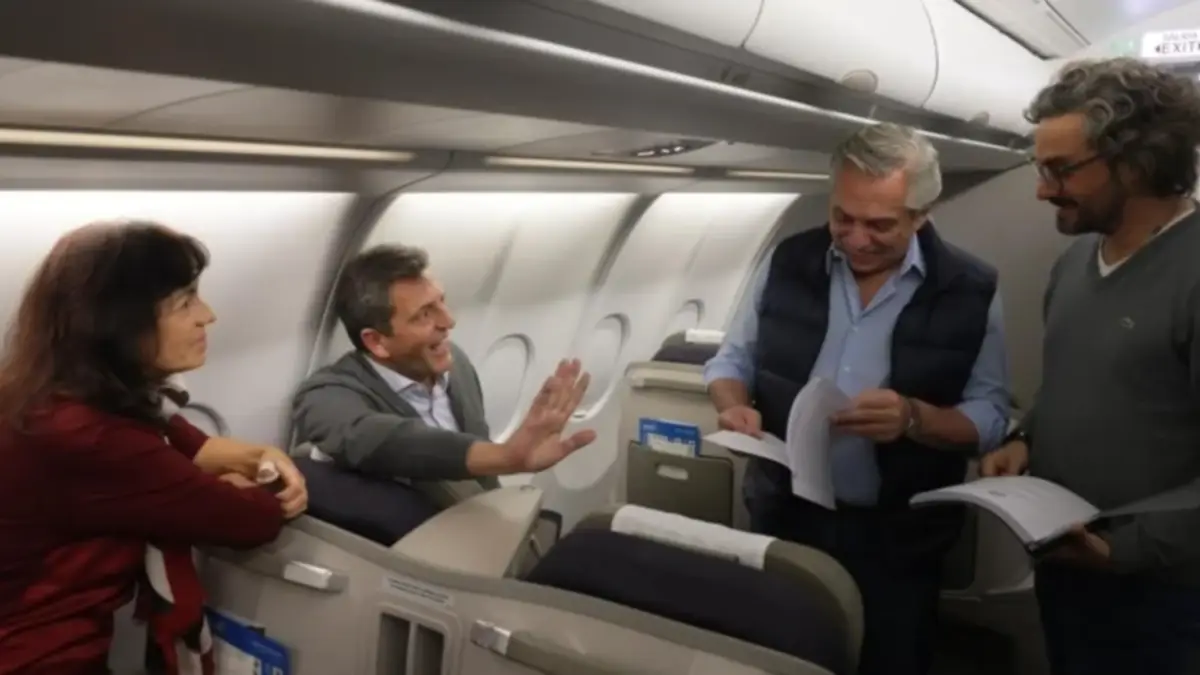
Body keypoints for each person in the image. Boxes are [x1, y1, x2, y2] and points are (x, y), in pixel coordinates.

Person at [704, 122, 1011, 675]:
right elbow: (732, 361)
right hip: (786, 516)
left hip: (899, 537)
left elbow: (989, 416)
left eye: (880, 224)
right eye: (842, 217)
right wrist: (732, 404)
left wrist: (914, 418)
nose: (856, 238)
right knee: (780, 658)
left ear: (921, 215)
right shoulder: (788, 261)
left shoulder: (969, 289)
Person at [0, 220, 308, 675]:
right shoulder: (91, 437)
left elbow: (191, 444)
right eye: (185, 302)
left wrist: (262, 457)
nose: (208, 315)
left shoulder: (45, 394)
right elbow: (249, 518)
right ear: (119, 324)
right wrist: (257, 483)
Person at [983, 57, 1200, 675]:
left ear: (1135, 162)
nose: (1042, 189)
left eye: (1060, 170)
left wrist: (1118, 549)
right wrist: (1026, 438)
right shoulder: (1075, 264)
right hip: (1069, 566)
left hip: (1165, 592)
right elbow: (1071, 385)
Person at [292, 244, 595, 492]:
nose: (449, 321)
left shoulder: (456, 364)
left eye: (442, 302)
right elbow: (385, 441)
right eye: (425, 314)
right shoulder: (325, 395)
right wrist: (505, 457)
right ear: (377, 341)